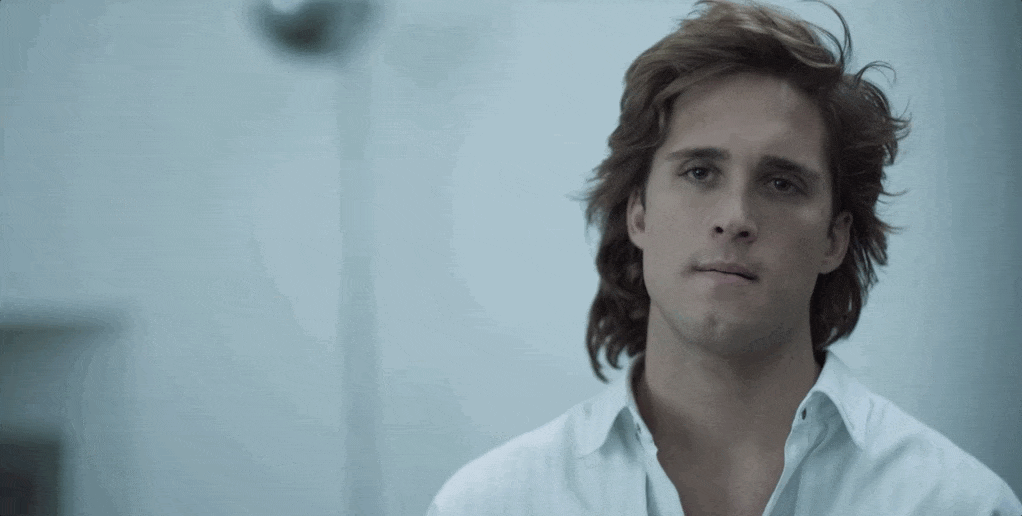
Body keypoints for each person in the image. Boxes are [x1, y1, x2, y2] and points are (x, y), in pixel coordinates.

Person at [426, 1, 1022, 514]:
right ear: (639, 213)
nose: (735, 217)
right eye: (699, 172)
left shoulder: (956, 503)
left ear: (834, 239)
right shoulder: (493, 504)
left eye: (782, 183)